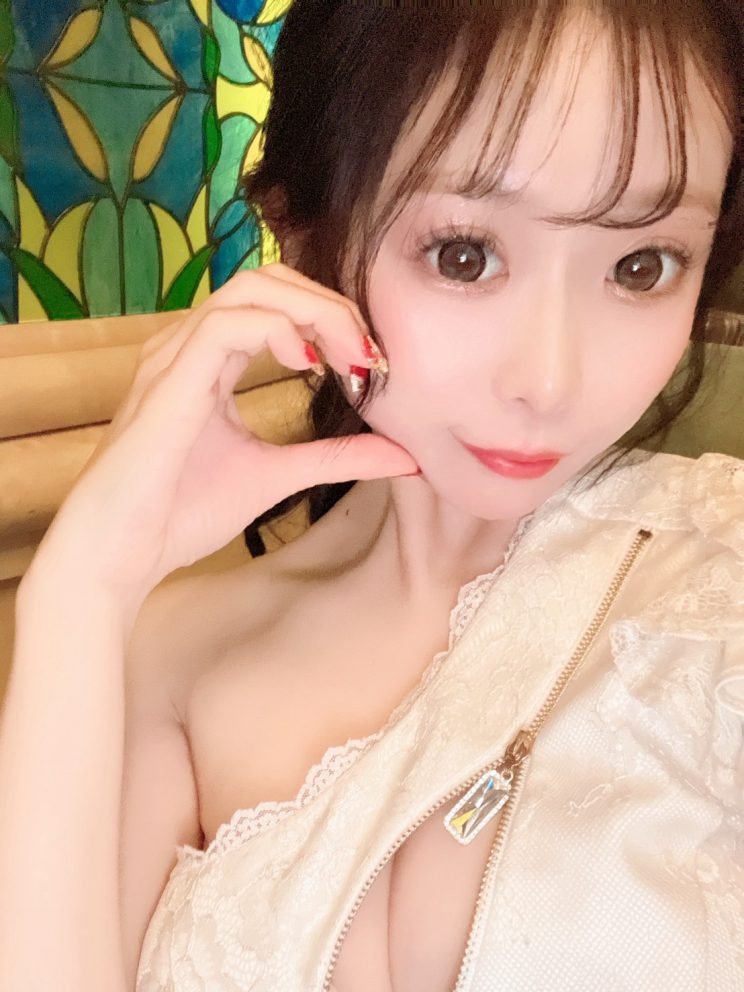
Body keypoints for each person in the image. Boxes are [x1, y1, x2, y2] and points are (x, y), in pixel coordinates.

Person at [0, 1, 742, 990]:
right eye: (464, 254)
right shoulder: (165, 653)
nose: (550, 380)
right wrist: (80, 590)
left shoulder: (721, 577)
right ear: (303, 238)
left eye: (642, 265)